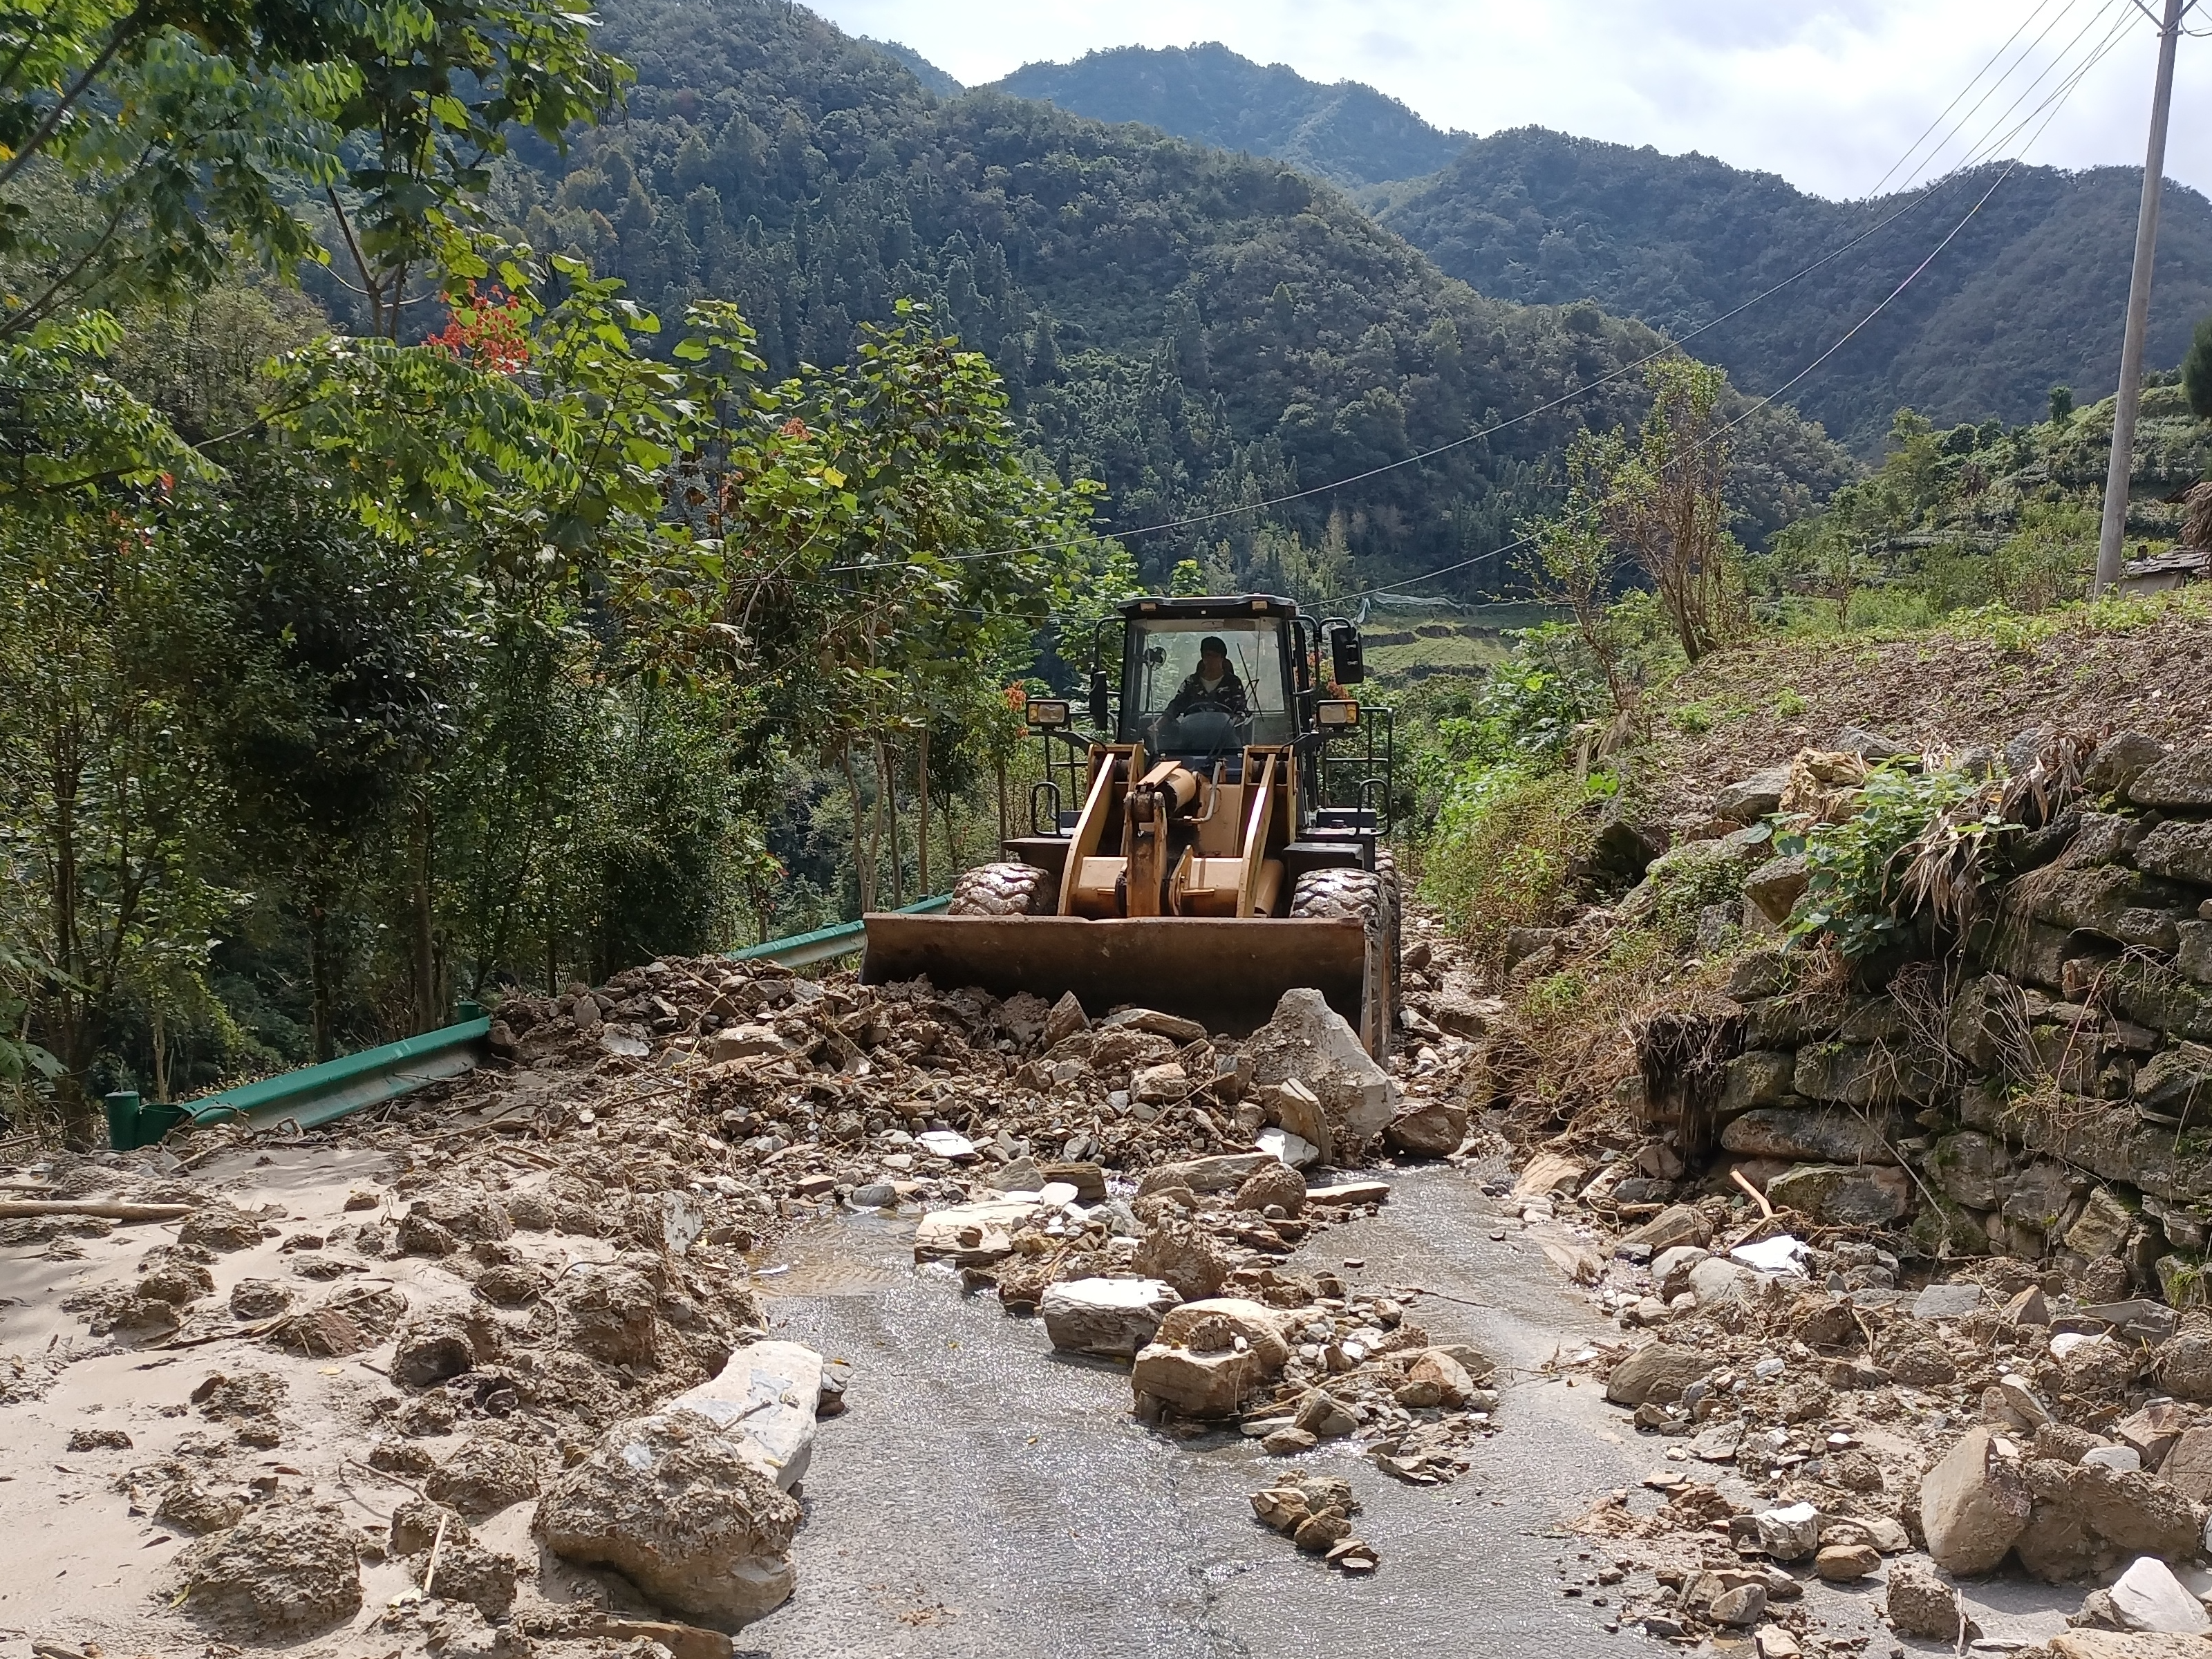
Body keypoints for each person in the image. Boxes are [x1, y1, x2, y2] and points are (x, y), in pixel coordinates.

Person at [1156, 635, 1250, 740]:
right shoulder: (1191, 682)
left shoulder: (1233, 683)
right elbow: (1175, 706)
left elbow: (1241, 711)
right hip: (1192, 738)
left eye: (1214, 656)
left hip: (1225, 742)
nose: (1210, 660)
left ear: (1222, 658)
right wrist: (1156, 726)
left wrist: (1229, 723)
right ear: (1202, 657)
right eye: (1207, 655)